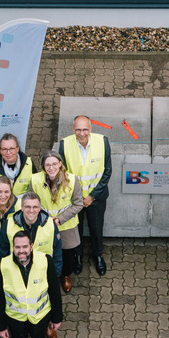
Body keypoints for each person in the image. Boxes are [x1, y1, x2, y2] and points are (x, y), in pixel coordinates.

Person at [59, 115, 112, 276]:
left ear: (90, 129)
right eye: (78, 130)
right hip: (74, 199)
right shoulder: (65, 144)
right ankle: (78, 256)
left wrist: (91, 196)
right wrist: (79, 198)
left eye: (84, 129)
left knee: (96, 229)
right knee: (77, 229)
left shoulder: (102, 142)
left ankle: (98, 255)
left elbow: (107, 172)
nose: (81, 133)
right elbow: (63, 174)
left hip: (96, 198)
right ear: (72, 129)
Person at [29, 151, 84, 293]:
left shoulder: (72, 180)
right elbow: (31, 202)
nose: (51, 167)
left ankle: (66, 275)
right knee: (45, 251)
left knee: (67, 253)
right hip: (43, 224)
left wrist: (60, 219)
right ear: (43, 166)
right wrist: (45, 219)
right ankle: (47, 276)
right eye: (47, 165)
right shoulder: (35, 180)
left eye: (54, 164)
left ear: (60, 164)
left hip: (66, 225)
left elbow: (78, 204)